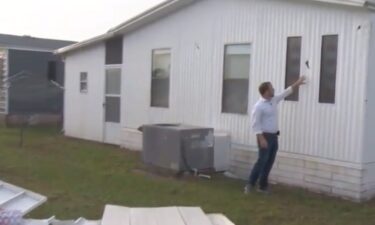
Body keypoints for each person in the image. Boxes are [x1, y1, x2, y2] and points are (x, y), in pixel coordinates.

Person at [244, 76, 306, 194]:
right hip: (264, 137)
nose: (274, 89)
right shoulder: (258, 106)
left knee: (269, 161)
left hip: (273, 137)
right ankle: (250, 184)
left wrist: (297, 83)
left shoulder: (273, 100)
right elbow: (255, 124)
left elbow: (285, 92)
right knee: (262, 161)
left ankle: (262, 186)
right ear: (266, 91)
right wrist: (261, 139)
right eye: (272, 88)